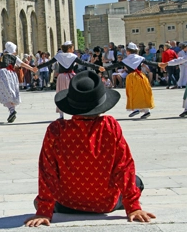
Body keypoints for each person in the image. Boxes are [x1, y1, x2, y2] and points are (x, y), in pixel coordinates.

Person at [25, 71, 156, 227]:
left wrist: (44, 210)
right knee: (137, 181)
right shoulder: (110, 126)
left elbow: (47, 170)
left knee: (40, 199)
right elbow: (124, 166)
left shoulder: (56, 130)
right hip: (105, 204)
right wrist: (133, 207)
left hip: (66, 204)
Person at [36, 41, 105, 119]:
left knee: (60, 94)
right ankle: (76, 112)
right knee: (74, 94)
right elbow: (84, 63)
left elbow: (48, 63)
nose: (73, 49)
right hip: (71, 77)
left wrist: (37, 67)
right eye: (72, 48)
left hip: (61, 77)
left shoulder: (59, 56)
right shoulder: (73, 56)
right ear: (69, 48)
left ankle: (61, 115)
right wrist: (97, 67)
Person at [105, 42, 161, 119]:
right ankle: (146, 110)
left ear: (128, 51)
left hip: (132, 77)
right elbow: (150, 63)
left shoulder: (126, 60)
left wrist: (104, 68)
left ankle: (137, 108)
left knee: (133, 93)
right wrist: (159, 64)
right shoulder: (140, 58)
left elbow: (115, 65)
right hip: (141, 76)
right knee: (143, 93)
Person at [161, 38, 187, 117]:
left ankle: (186, 110)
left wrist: (167, 63)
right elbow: (180, 60)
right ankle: (186, 110)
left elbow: (180, 60)